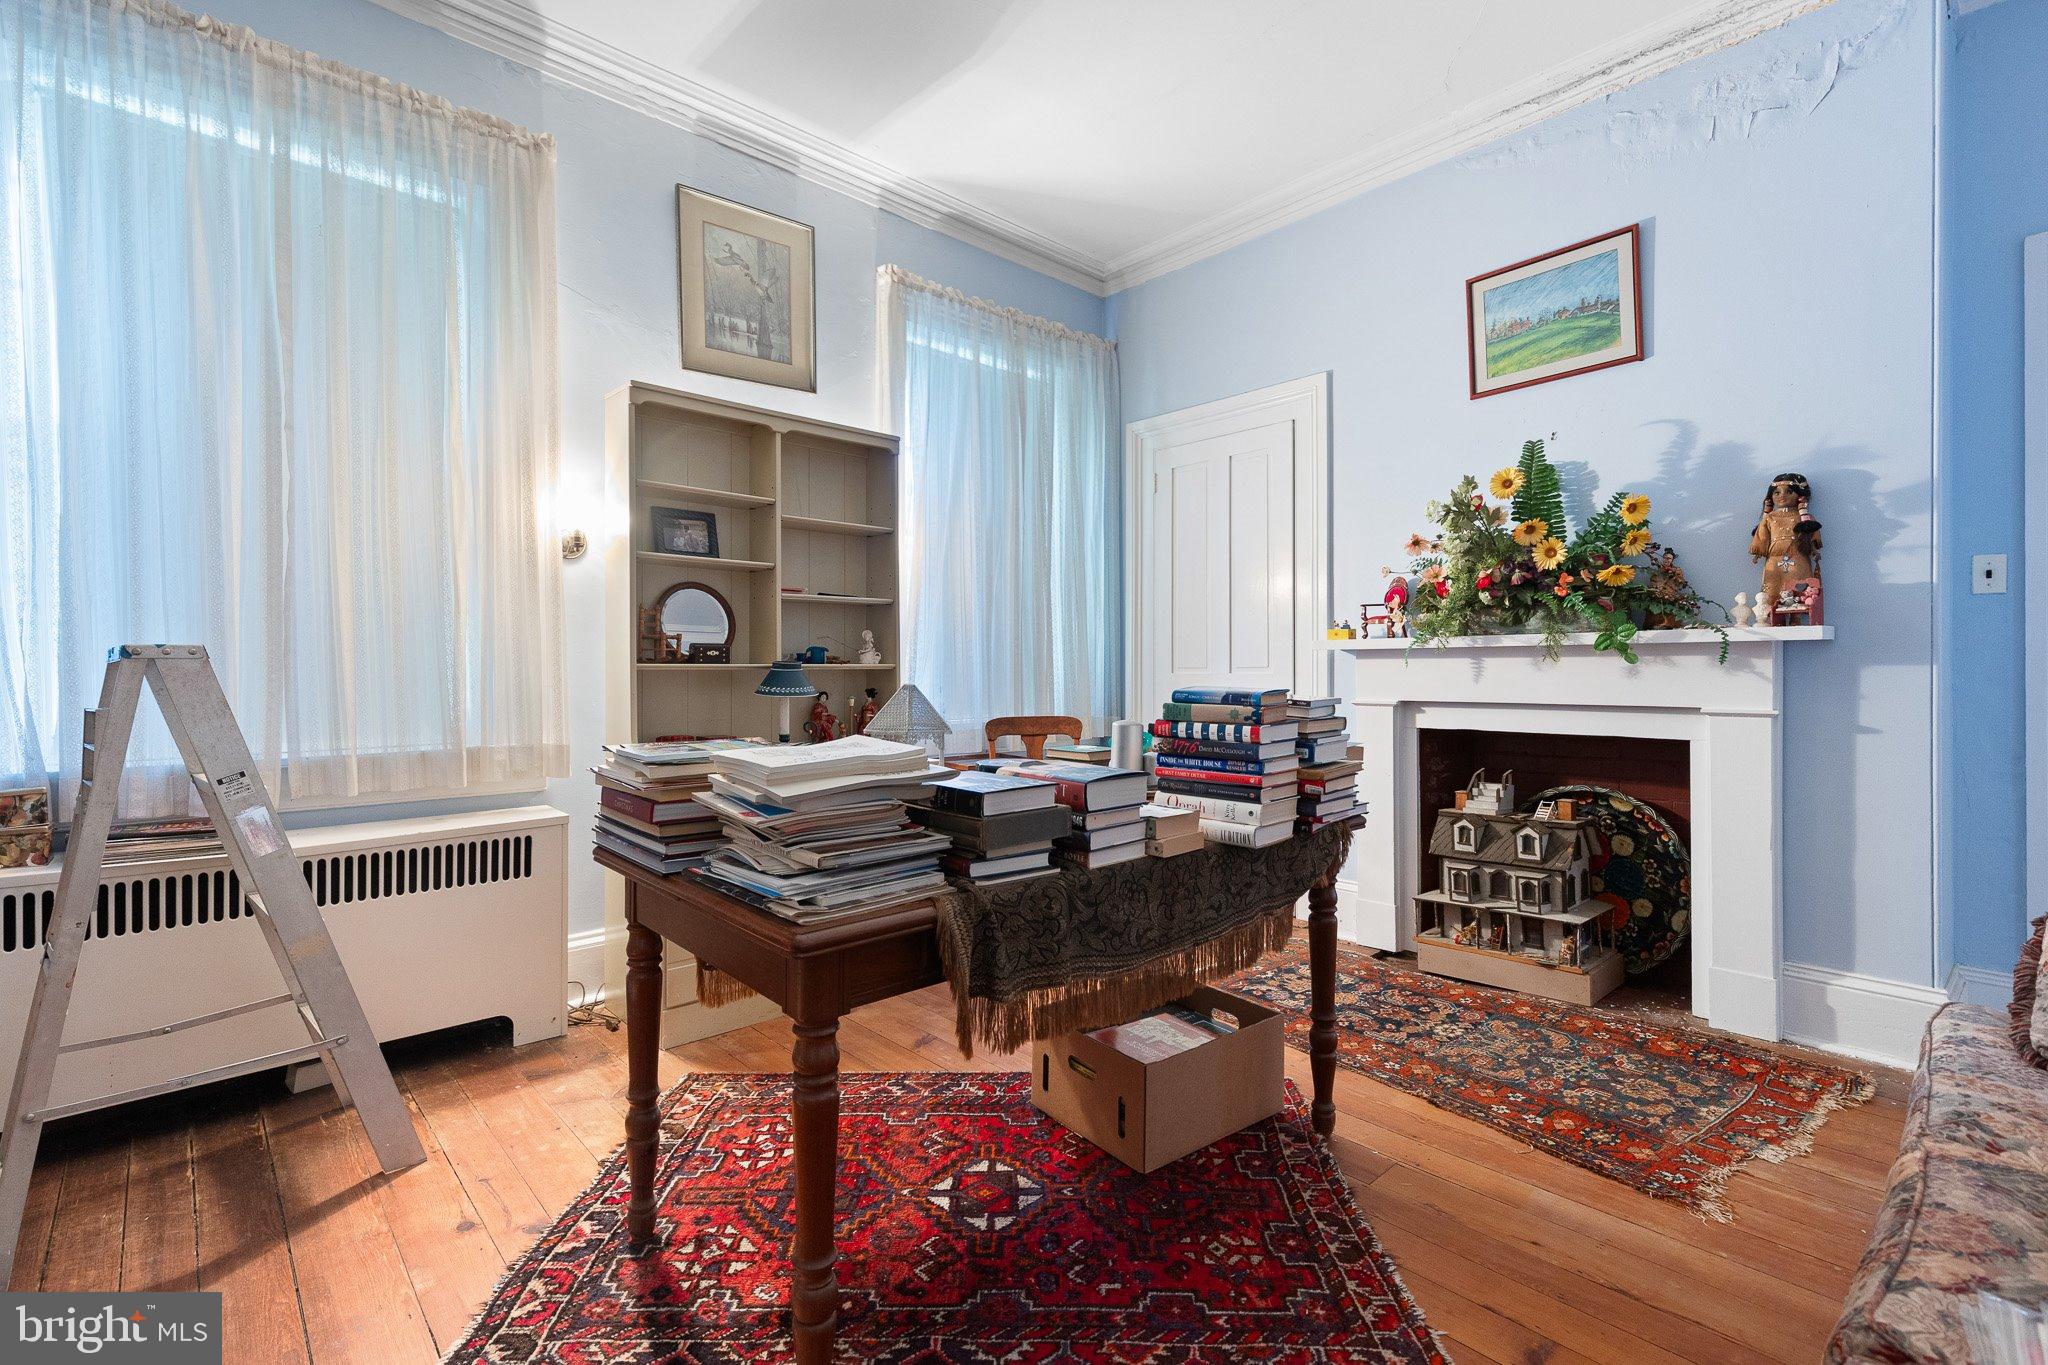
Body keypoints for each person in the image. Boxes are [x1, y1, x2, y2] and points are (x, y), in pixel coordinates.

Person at [1748, 472, 1822, 610]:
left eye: (1789, 492)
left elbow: (1812, 535)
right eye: (1777, 493)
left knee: (1798, 590)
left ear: (1800, 495)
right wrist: (1758, 550)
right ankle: (1771, 616)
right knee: (1771, 590)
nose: (1782, 496)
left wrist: (1814, 550)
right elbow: (1762, 536)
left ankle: (1796, 618)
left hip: (1798, 558)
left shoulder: (1804, 518)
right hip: (1774, 560)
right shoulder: (1770, 518)